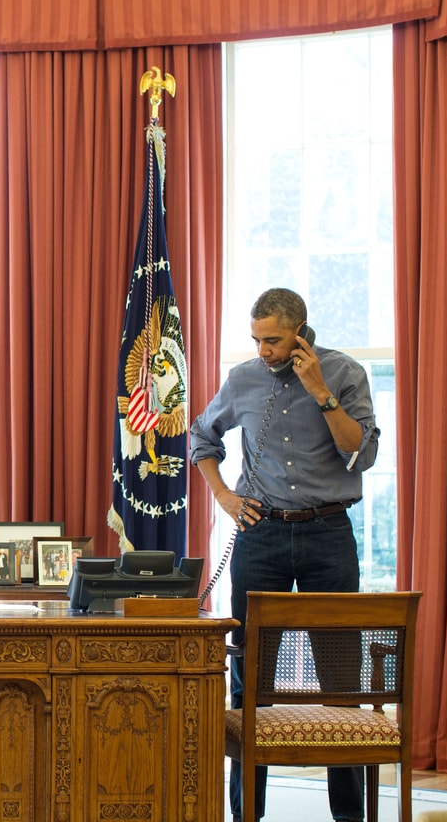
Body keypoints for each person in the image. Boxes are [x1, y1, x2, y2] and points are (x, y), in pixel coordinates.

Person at [189, 288, 380, 822]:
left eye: (272, 340)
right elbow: (202, 437)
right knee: (250, 681)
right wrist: (225, 497)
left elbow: (361, 453)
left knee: (341, 680)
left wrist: (319, 391)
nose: (264, 350)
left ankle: (348, 815)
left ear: (300, 331)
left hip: (327, 536)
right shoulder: (245, 379)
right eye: (256, 339)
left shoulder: (344, 373)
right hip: (262, 536)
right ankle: (248, 813)